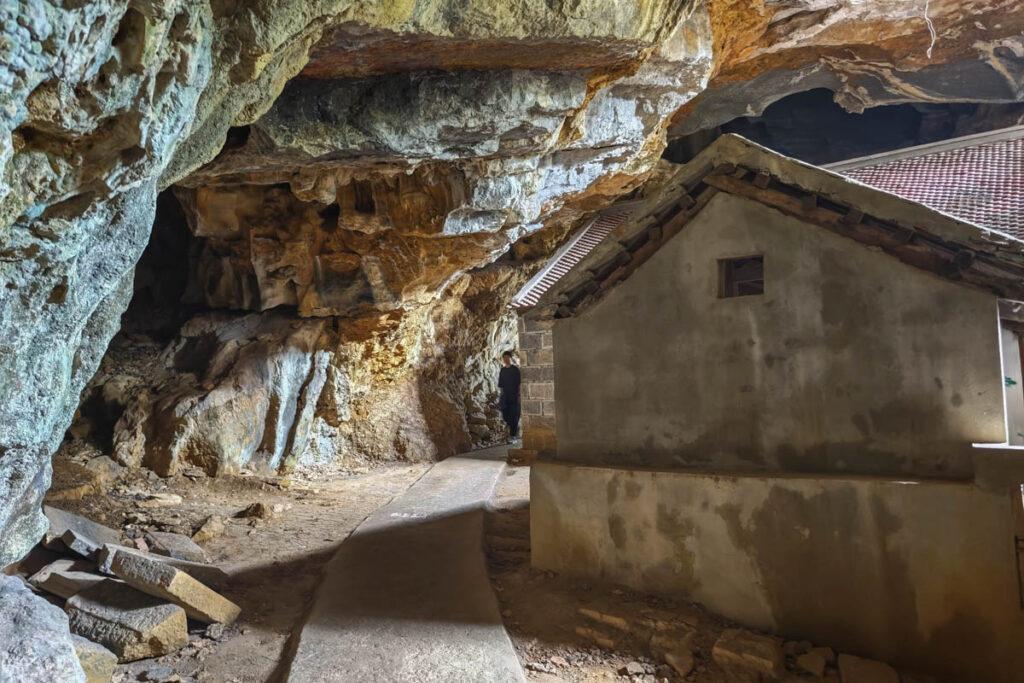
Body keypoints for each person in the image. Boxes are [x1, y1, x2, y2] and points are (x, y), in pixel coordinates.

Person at [497, 351, 521, 446]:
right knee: (506, 416)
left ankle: (513, 436)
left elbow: (519, 383)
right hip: (505, 397)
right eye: (504, 358)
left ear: (510, 358)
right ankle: (513, 431)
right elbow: (501, 385)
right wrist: (501, 396)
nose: (506, 360)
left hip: (514, 397)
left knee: (514, 416)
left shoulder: (515, 370)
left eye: (507, 358)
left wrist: (519, 396)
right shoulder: (503, 370)